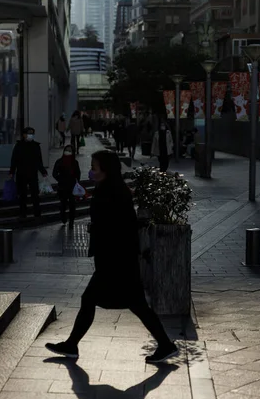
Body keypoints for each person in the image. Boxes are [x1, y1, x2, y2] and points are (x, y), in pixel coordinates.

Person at [45, 150, 178, 364]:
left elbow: (119, 226)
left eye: (95, 167)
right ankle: (165, 344)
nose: (91, 170)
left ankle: (72, 345)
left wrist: (99, 231)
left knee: (92, 299)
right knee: (136, 305)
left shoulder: (113, 192)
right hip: (118, 259)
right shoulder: (111, 189)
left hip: (116, 260)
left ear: (105, 169)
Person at [9, 126, 47, 218]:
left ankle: (37, 213)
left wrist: (43, 171)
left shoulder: (36, 146)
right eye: (29, 133)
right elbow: (14, 160)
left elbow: (39, 160)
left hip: (32, 173)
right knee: (22, 195)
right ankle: (23, 213)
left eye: (32, 133)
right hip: (21, 174)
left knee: (35, 194)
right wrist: (12, 171)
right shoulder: (19, 146)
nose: (31, 135)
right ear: (24, 135)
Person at [53, 145, 81, 230]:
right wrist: (60, 179)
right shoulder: (59, 161)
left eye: (70, 150)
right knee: (63, 204)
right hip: (62, 187)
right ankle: (63, 217)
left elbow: (78, 173)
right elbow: (54, 173)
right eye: (66, 150)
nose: (68, 151)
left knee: (72, 205)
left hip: (72, 186)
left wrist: (77, 182)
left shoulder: (74, 162)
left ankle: (71, 221)